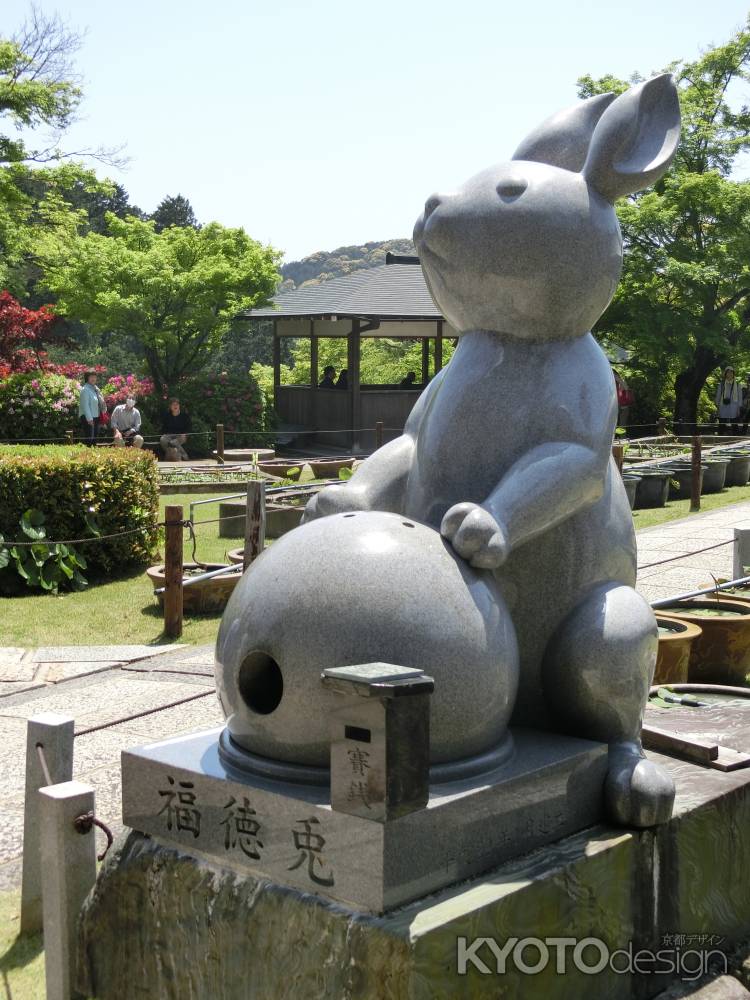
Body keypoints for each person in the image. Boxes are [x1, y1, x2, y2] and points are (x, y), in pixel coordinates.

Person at [78, 371, 105, 446]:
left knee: (94, 439)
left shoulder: (95, 389)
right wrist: (89, 419)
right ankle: (87, 456)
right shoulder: (85, 389)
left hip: (96, 416)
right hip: (88, 418)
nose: (93, 378)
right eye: (91, 376)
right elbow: (85, 405)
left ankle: (93, 456)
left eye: (94, 376)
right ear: (87, 378)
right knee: (89, 440)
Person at [716, 366, 743, 434]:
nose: (730, 374)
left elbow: (740, 397)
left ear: (733, 374)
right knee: (722, 423)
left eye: (731, 372)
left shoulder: (737, 385)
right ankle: (720, 438)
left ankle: (735, 440)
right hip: (723, 406)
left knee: (734, 424)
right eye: (728, 372)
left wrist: (738, 408)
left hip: (734, 406)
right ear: (725, 374)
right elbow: (718, 396)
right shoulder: (721, 384)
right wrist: (718, 407)